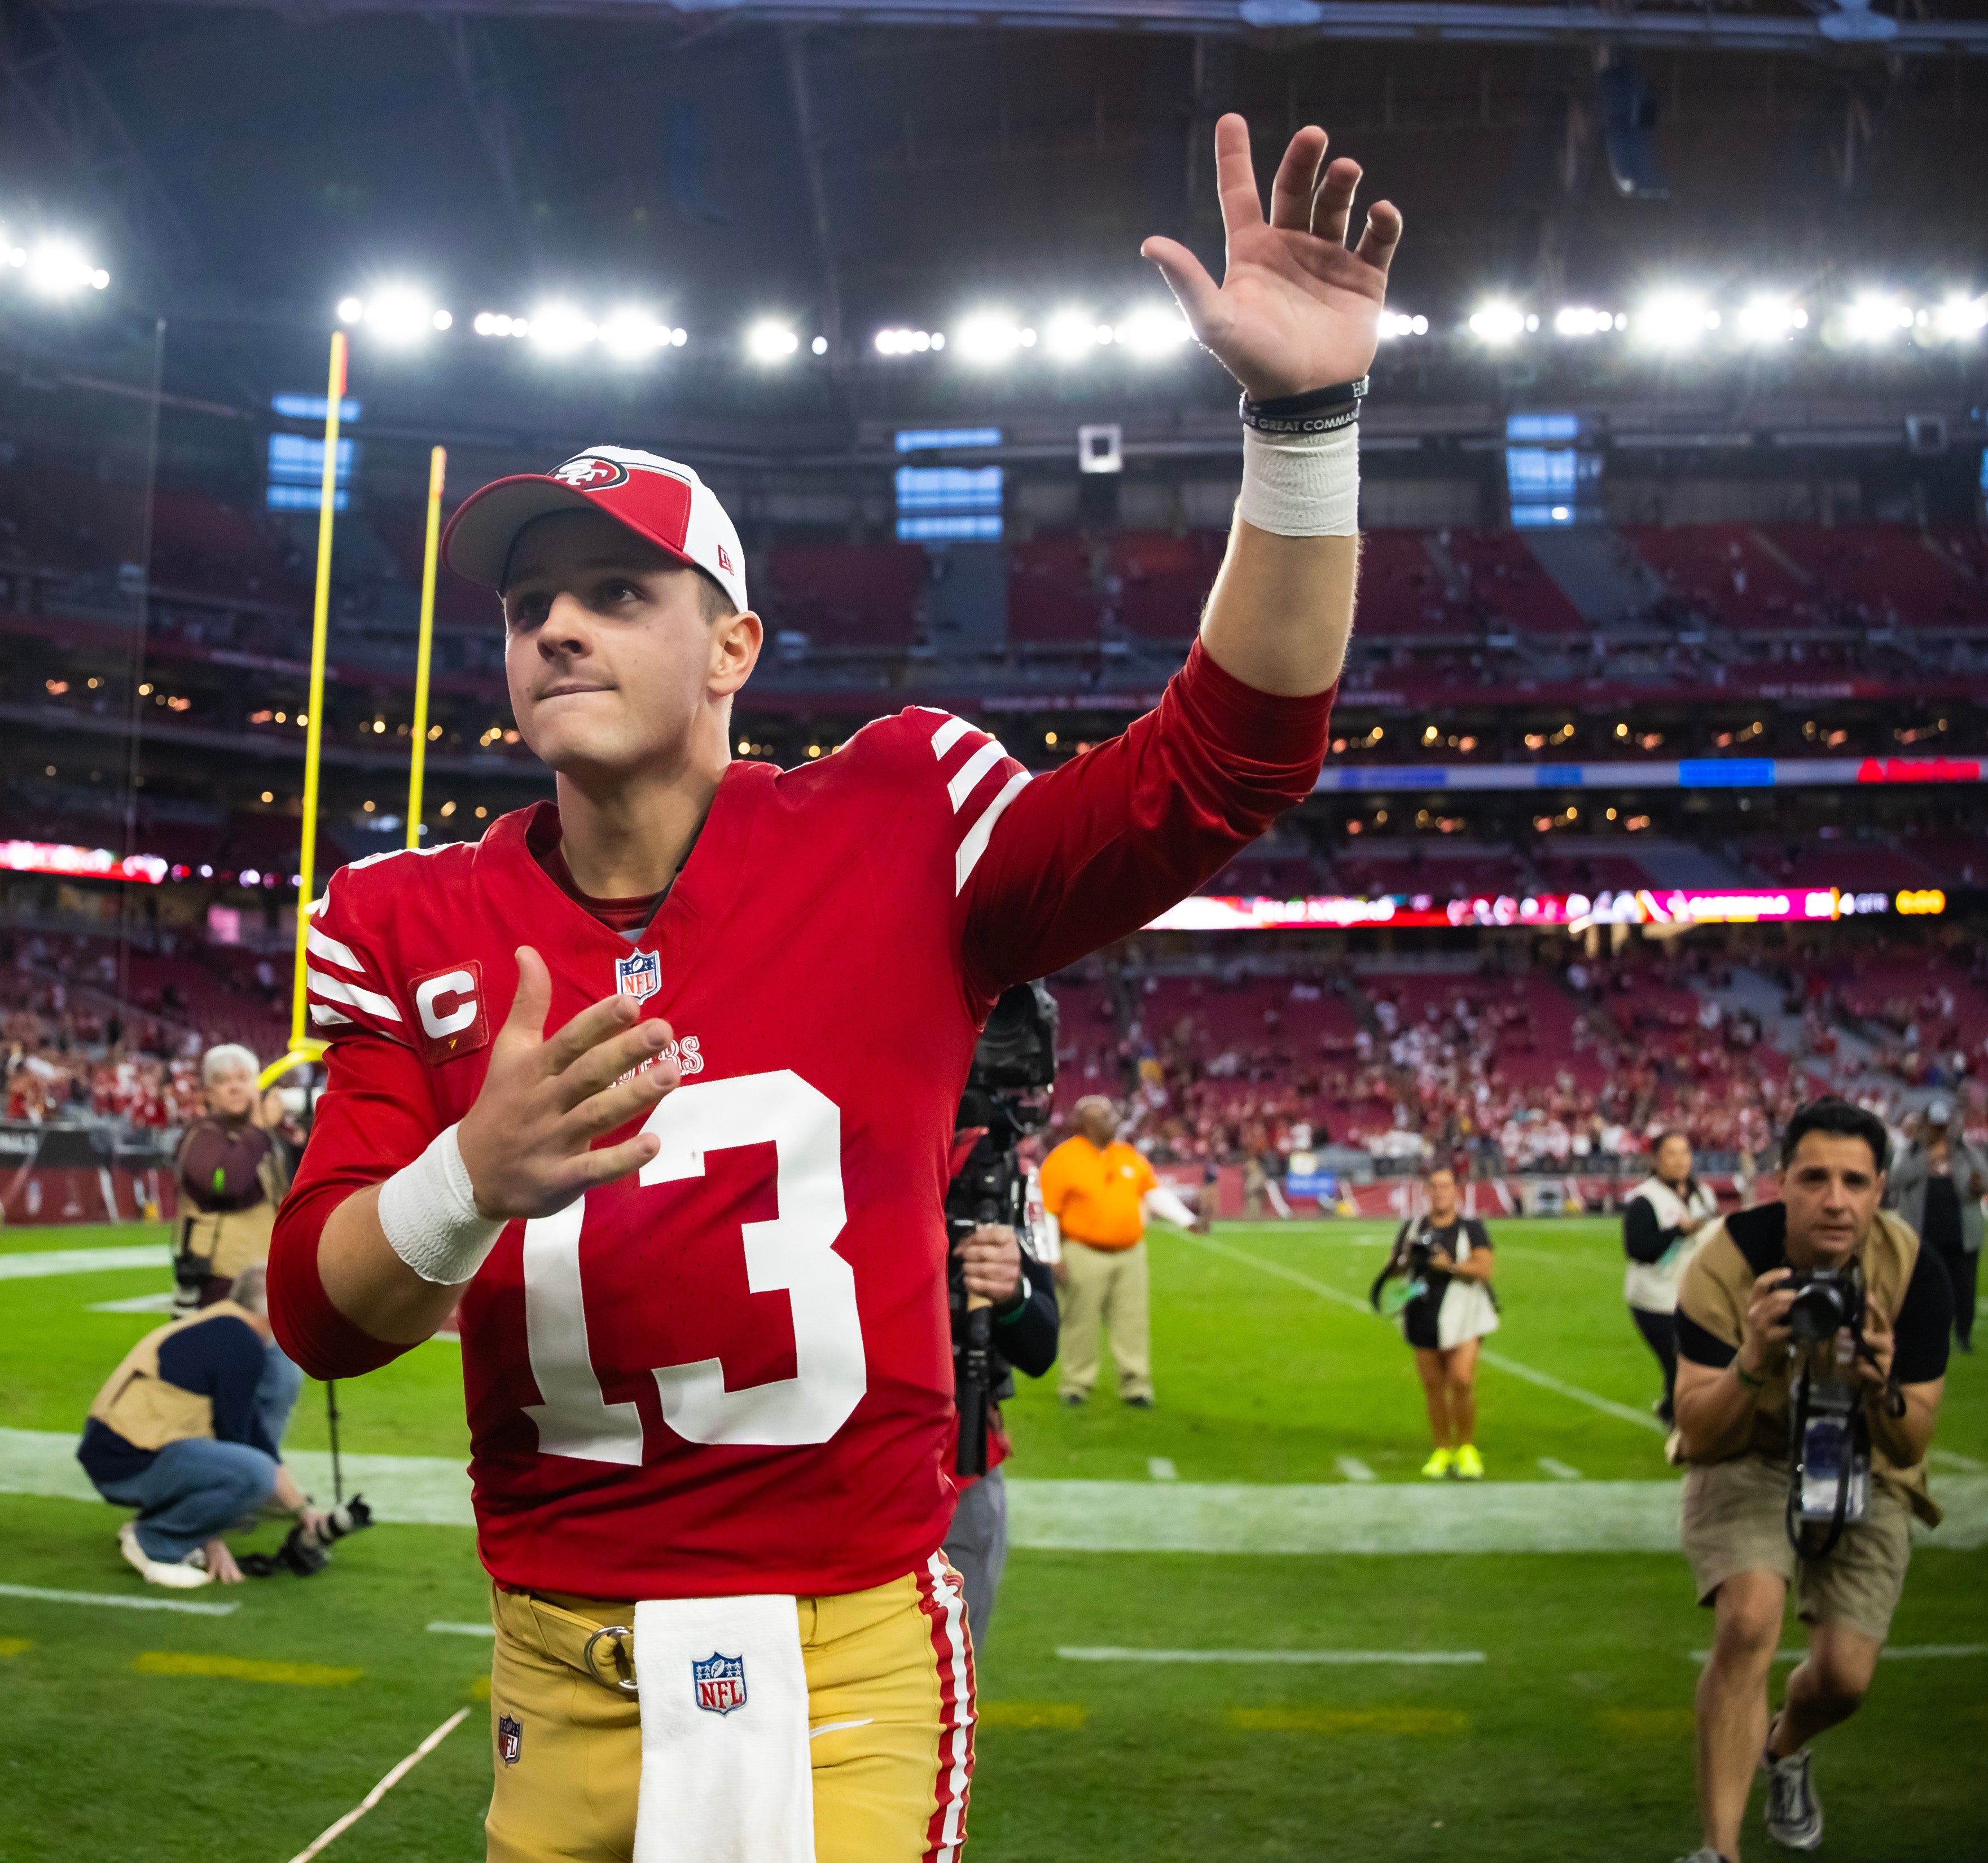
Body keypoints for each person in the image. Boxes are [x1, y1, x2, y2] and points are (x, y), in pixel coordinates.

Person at [268, 113, 1395, 1859]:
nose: (555, 625)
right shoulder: (411, 917)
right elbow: (322, 1317)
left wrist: (1304, 426)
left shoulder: (900, 821)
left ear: (731, 648)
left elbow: (1223, 763)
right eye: (529, 602)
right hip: (551, 1642)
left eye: (617, 591)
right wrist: (462, 1180)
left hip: (841, 1636)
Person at [1670, 1099, 1953, 1863]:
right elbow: (1698, 1430)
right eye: (1815, 1177)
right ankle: (1718, 1851)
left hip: (1863, 1452)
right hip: (1749, 1449)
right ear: (1780, 1182)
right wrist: (1751, 1360)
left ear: (1879, 1189)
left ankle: (1785, 1746)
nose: (1835, 1198)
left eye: (1855, 1181)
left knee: (1843, 1679)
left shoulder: (1913, 1273)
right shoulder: (1725, 1264)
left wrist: (1880, 1384)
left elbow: (1913, 1437)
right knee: (1750, 1617)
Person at [80, 1264, 335, 1588]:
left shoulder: (223, 1326)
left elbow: (253, 1432)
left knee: (253, 1467)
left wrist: (301, 1510)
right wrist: (211, 1537)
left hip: (118, 1451)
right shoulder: (241, 1343)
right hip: (129, 1461)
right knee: (254, 1474)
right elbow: (240, 1444)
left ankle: (162, 1528)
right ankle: (155, 1541)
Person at [1039, 1095, 1206, 1410]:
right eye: (1105, 1116)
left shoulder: (1127, 1155)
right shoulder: (1062, 1160)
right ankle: (1076, 1383)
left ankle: (1136, 1384)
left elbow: (1152, 1192)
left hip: (1130, 1253)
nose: (1114, 1121)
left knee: (1132, 1320)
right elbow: (1049, 1213)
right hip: (1083, 1251)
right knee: (1079, 1319)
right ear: (1083, 1123)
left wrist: (1188, 1220)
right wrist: (1053, 1256)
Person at [941, 1214, 1057, 1657]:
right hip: (818, 1469)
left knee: (942, 1689)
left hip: (954, 1466)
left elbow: (1041, 1346)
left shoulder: (991, 1169)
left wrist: (1011, 1295)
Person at [1386, 1163, 1497, 1479]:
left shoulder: (1471, 1228)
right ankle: (1441, 1449)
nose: (1440, 1193)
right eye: (1434, 1187)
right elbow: (1393, 1268)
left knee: (1462, 1380)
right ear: (1426, 1192)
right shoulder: (1412, 1227)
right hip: (1422, 1313)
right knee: (1433, 1388)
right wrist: (1404, 1259)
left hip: (1463, 1315)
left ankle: (1467, 1448)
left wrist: (1449, 1266)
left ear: (1456, 1192)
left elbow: (1484, 1269)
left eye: (1446, 1187)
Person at [171, 1042, 293, 1311]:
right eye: (223, 1081)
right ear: (208, 1094)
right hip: (221, 1283)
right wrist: (260, 1127)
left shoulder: (264, 1137)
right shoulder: (203, 1137)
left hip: (265, 1276)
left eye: (243, 1078)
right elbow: (223, 1183)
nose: (235, 1087)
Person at [1627, 1131, 1723, 1427]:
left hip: (1693, 1295)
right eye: (1672, 1153)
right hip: (1655, 1298)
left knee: (1693, 1362)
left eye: (1685, 1153)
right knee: (1680, 1362)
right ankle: (1682, 1424)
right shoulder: (1645, 1200)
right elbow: (1639, 1250)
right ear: (1656, 1159)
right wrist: (1677, 1233)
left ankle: (1672, 1410)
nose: (1681, 1160)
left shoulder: (1703, 1195)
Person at [1886, 1098, 1980, 1355]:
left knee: (1965, 1289)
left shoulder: (1962, 1151)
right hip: (1922, 1235)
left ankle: (1963, 1336)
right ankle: (1925, 1333)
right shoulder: (1912, 1152)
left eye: (1943, 1126)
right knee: (1922, 1287)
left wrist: (1974, 1181)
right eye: (1935, 1125)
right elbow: (1897, 1178)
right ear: (1926, 1125)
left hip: (1962, 1236)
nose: (1939, 1131)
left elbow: (1980, 1177)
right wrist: (1927, 1154)